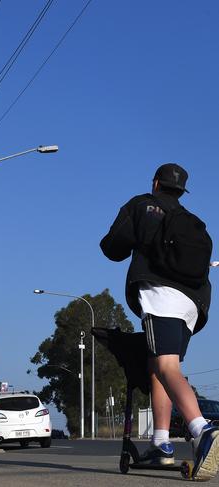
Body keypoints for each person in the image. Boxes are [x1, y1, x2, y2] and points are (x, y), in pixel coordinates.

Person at [100, 163, 218, 480]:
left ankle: (202, 431)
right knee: (158, 367)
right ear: (181, 191)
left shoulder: (143, 205)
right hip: (194, 304)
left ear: (155, 183)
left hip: (161, 296)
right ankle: (161, 443)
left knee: (167, 369)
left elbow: (112, 247)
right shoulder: (191, 221)